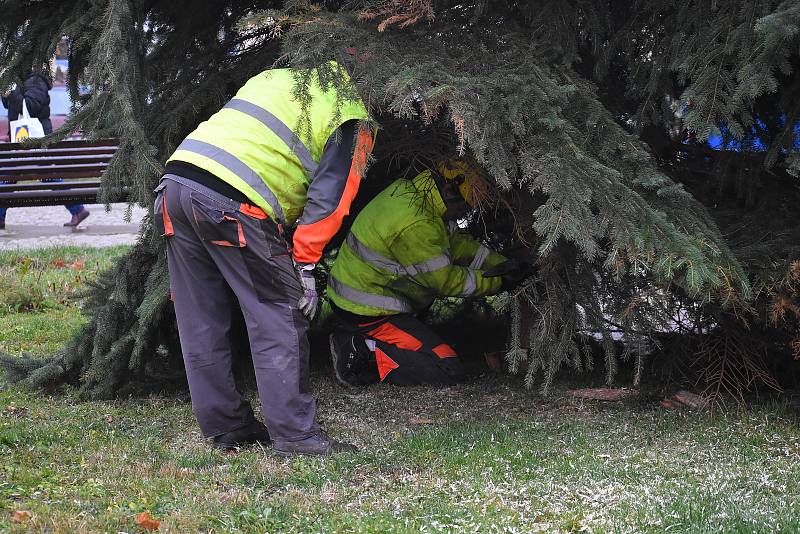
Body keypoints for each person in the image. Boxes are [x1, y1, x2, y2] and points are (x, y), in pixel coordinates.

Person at [155, 61, 374, 455]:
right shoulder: (351, 114)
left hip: (175, 187)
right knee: (279, 315)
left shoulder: (277, 76)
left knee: (200, 318)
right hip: (234, 202)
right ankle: (296, 437)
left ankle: (227, 427)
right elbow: (331, 200)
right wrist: (304, 264)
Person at [327, 157, 534, 387]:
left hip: (362, 294)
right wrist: (500, 283)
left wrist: (503, 264)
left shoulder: (415, 194)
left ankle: (368, 341)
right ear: (450, 190)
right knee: (445, 367)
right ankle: (358, 347)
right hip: (366, 309)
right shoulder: (417, 225)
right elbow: (445, 282)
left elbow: (457, 245)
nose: (464, 213)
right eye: (464, 206)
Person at [1, 72, 90, 230]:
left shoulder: (36, 80)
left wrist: (12, 93)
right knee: (9, 176)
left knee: (43, 176)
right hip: (22, 138)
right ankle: (78, 209)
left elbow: (30, 106)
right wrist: (6, 93)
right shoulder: (23, 79)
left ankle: (78, 209)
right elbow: (11, 105)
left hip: (35, 139)